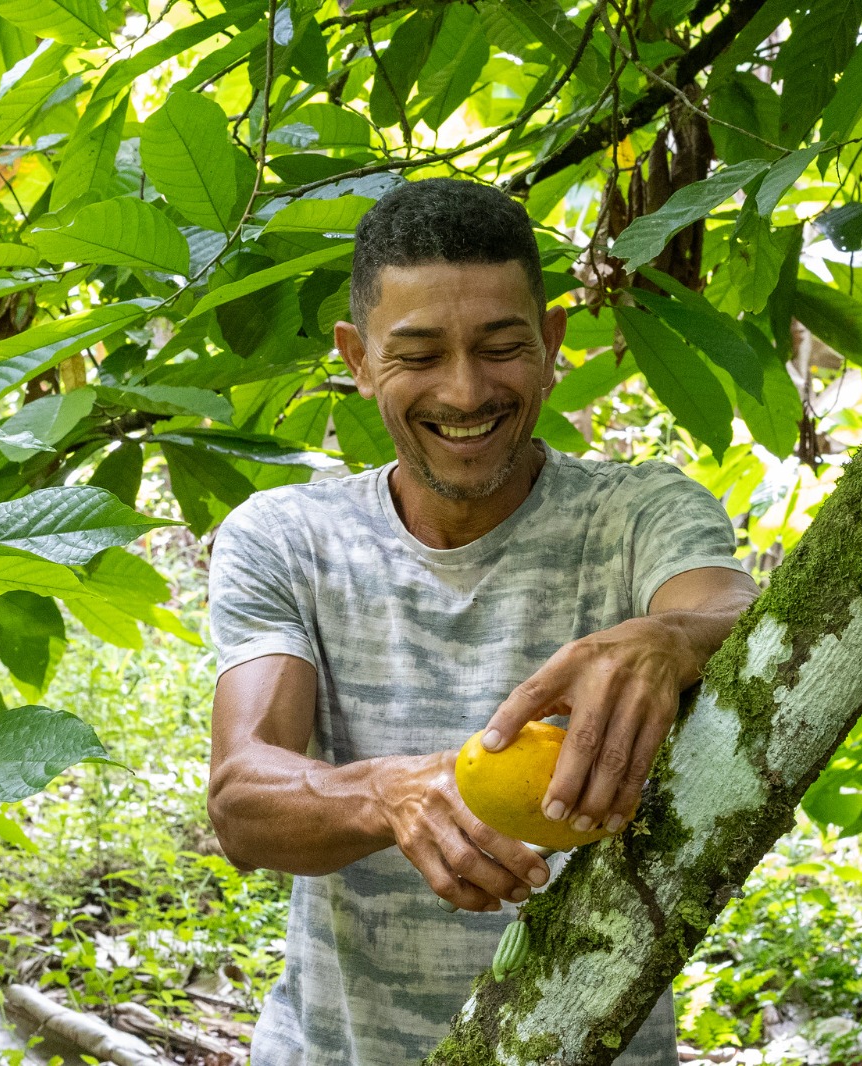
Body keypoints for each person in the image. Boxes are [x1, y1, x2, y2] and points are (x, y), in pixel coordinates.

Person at [206, 178, 760, 1065]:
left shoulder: (638, 512)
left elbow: (737, 610)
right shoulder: (287, 540)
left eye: (501, 347)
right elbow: (242, 800)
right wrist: (389, 794)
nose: (465, 392)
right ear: (356, 357)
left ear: (550, 344)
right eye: (418, 354)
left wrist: (666, 639)